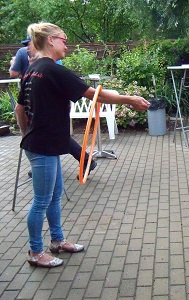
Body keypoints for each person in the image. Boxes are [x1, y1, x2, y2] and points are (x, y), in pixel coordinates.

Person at [15, 22, 150, 268]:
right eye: (63, 39)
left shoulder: (32, 69)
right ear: (51, 41)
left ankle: (57, 241)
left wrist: (27, 136)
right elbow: (94, 94)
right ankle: (35, 252)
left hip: (44, 143)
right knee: (42, 201)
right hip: (43, 145)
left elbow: (19, 109)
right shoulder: (53, 69)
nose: (67, 44)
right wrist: (129, 99)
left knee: (54, 196)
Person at [9, 35, 97, 179]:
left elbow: (13, 74)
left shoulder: (32, 60)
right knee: (55, 133)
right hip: (43, 133)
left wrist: (26, 134)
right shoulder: (47, 65)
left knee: (52, 133)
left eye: (29, 44)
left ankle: (81, 160)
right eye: (63, 42)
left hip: (40, 135)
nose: (28, 48)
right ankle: (83, 160)